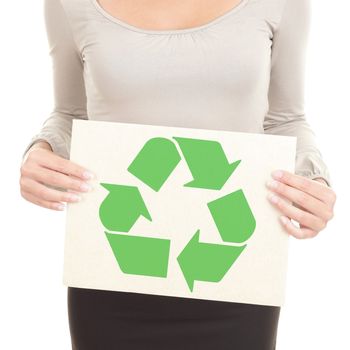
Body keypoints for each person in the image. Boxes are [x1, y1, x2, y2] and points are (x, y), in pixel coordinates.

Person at [19, 0, 336, 349]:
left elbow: (285, 120)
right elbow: (70, 113)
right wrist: (42, 149)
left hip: (237, 273)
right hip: (111, 273)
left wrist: (313, 179)